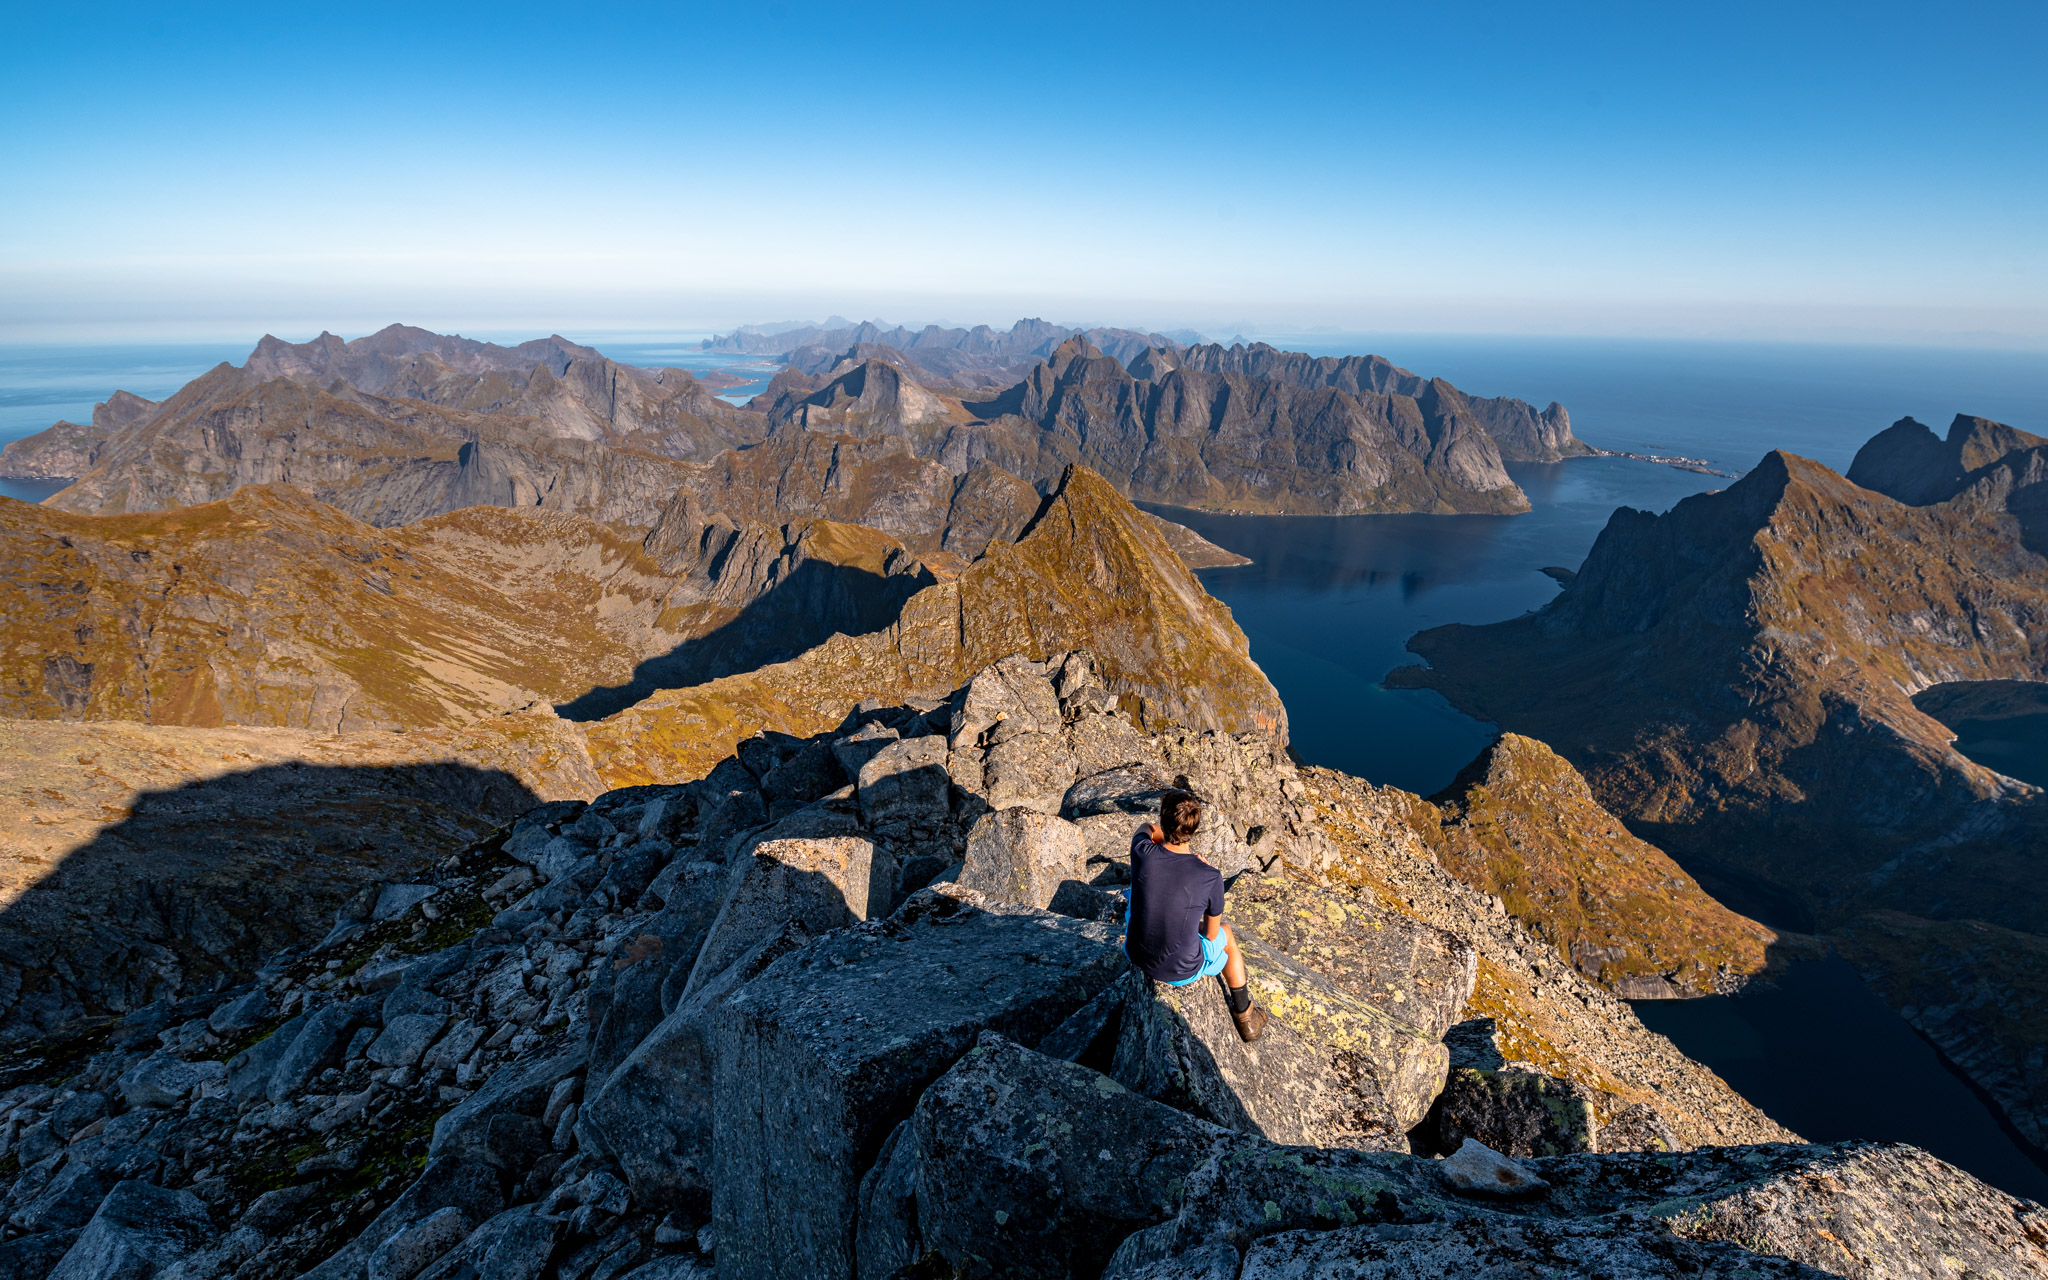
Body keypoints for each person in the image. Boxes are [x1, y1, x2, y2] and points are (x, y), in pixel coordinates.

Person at [1123, 787, 1267, 1042]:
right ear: (1194, 828)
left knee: (1134, 894)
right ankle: (1246, 1017)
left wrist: (1159, 834)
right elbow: (1211, 935)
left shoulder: (1142, 852)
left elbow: (1144, 828)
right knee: (1228, 935)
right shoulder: (1209, 877)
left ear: (1164, 821)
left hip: (1135, 952)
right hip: (1180, 970)